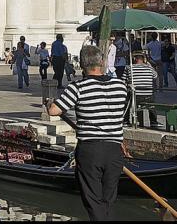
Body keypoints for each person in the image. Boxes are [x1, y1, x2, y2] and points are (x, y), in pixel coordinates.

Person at [46, 44, 129, 221]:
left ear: (83, 66)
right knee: (108, 200)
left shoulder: (78, 87)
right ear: (102, 62)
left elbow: (54, 111)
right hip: (115, 150)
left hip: (91, 150)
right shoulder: (121, 86)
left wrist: (49, 104)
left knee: (93, 200)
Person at [124, 53, 158, 128]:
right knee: (151, 101)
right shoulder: (149, 68)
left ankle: (126, 121)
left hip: (136, 95)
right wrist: (149, 65)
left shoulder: (129, 68)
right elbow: (155, 76)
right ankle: (153, 121)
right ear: (144, 59)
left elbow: (123, 80)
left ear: (134, 59)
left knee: (126, 101)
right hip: (149, 95)